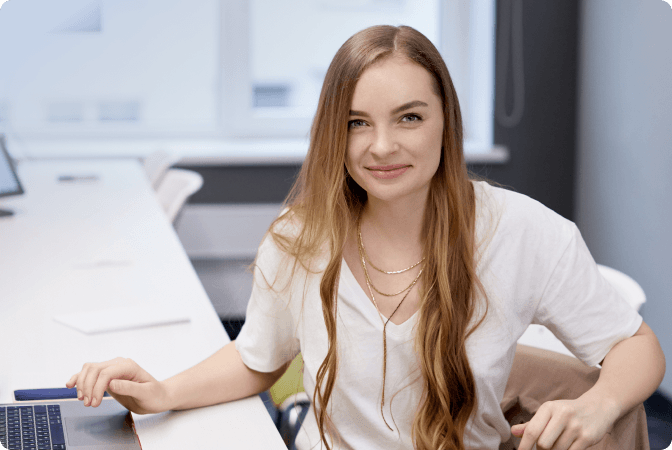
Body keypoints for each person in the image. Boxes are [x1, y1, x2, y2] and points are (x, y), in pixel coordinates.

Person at [66, 25, 665, 450]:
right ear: (335, 132)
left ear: (445, 122)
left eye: (409, 116)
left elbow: (635, 346)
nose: (381, 146)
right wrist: (161, 390)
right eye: (357, 123)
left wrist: (600, 404)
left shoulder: (523, 231)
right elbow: (258, 359)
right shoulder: (300, 238)